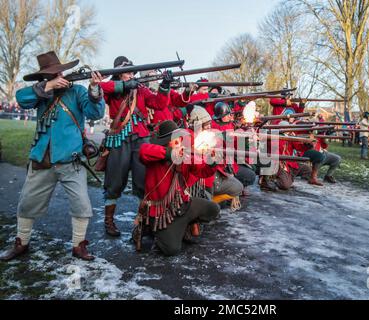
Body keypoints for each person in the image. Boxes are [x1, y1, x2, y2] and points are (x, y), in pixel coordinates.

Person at [0, 51, 105, 262]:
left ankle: (78, 246)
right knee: (27, 203)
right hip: (43, 159)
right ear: (44, 78)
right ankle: (22, 242)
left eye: (58, 73)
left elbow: (95, 113)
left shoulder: (77, 91)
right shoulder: (40, 92)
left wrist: (94, 89)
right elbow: (21, 99)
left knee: (81, 204)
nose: (56, 76)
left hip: (71, 158)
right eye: (50, 75)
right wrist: (48, 87)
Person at [99, 56, 172, 237]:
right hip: (119, 137)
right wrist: (124, 87)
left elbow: (159, 103)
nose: (130, 73)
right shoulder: (112, 87)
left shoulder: (140, 88)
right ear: (117, 73)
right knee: (114, 181)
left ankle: (144, 222)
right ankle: (109, 221)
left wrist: (164, 85)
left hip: (141, 137)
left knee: (143, 181)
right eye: (126, 71)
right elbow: (100, 87)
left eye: (132, 70)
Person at [139, 121, 220, 256]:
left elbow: (203, 172)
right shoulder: (154, 153)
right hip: (162, 212)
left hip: (183, 204)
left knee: (213, 209)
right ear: (166, 142)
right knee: (171, 249)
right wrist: (170, 153)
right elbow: (143, 151)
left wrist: (212, 161)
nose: (180, 142)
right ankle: (156, 232)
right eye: (176, 140)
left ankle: (186, 225)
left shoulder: (185, 156)